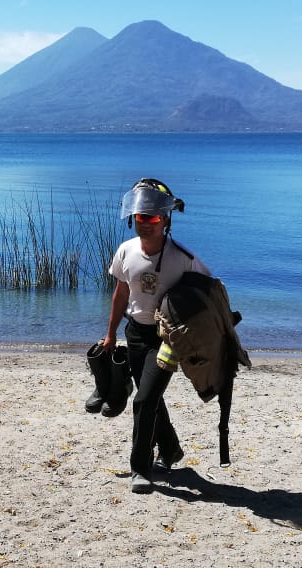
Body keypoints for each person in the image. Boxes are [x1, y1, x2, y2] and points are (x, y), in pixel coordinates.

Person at [101, 178, 211, 494]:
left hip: (167, 340)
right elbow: (121, 294)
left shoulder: (183, 258)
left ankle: (141, 468)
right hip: (134, 333)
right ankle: (171, 448)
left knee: (144, 399)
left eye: (151, 218)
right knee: (151, 398)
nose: (144, 223)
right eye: (140, 217)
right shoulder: (126, 251)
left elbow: (208, 292)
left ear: (165, 219)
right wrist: (110, 334)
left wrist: (199, 334)